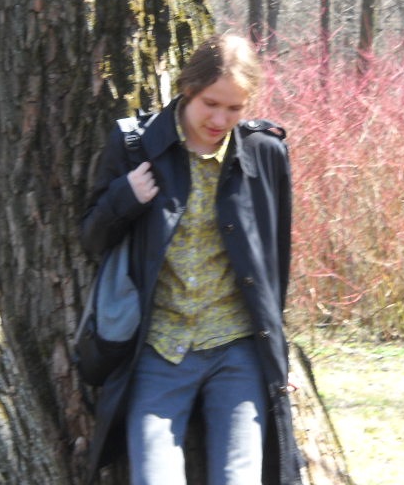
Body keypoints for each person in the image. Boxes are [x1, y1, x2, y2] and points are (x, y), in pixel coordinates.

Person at [80, 33, 303, 485]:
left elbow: (274, 262)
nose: (220, 119)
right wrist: (125, 197)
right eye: (210, 104)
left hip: (238, 350)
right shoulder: (137, 145)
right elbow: (92, 237)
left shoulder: (265, 153)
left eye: (234, 108)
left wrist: (276, 350)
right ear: (188, 89)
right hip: (159, 349)